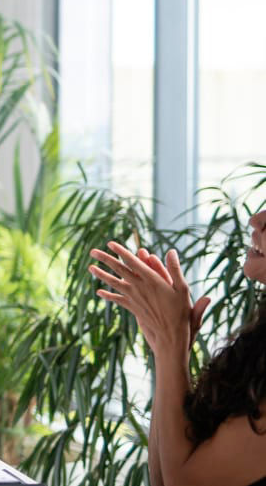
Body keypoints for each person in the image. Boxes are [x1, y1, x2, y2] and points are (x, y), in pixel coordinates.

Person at [89, 208, 266, 486]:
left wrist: (172, 342)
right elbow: (161, 477)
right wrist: (166, 346)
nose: (256, 220)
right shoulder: (257, 344)